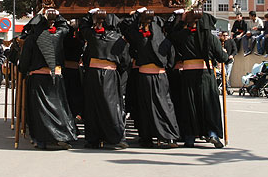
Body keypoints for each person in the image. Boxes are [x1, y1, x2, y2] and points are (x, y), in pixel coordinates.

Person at [166, 9, 228, 148]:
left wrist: (181, 21)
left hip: (188, 74)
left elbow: (171, 35)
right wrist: (224, 52)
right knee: (209, 105)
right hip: (206, 74)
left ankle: (189, 137)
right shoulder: (211, 38)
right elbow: (222, 58)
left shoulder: (183, 35)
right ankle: (212, 134)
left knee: (190, 106)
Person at [18, 10, 78, 150]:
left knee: (40, 112)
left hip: (38, 78)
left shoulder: (31, 40)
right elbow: (65, 26)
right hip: (55, 77)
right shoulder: (57, 36)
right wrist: (57, 15)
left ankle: (42, 140)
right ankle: (61, 136)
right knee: (59, 107)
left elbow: (24, 65)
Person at [119, 9, 179, 148]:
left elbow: (125, 27)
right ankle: (169, 137)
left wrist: (136, 15)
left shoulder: (140, 40)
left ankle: (146, 138)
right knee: (165, 106)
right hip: (161, 76)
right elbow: (171, 60)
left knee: (145, 107)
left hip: (144, 77)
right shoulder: (165, 42)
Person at [79, 9, 131, 149]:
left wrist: (90, 15)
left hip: (93, 74)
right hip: (110, 74)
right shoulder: (118, 39)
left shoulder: (92, 35)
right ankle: (115, 138)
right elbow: (125, 62)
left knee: (92, 106)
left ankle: (93, 139)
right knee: (111, 107)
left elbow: (82, 26)